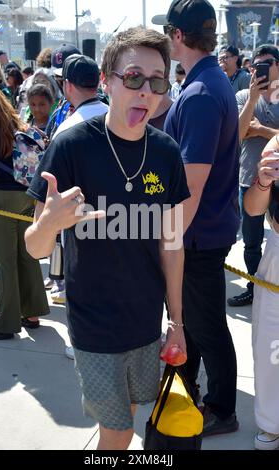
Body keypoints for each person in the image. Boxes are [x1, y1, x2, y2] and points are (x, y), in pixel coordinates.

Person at [25, 26, 190, 450]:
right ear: (107, 80)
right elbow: (35, 247)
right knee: (118, 432)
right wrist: (49, 224)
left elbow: (171, 244)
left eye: (157, 81)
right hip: (93, 323)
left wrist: (176, 322)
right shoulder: (72, 147)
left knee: (130, 417)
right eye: (133, 78)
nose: (145, 92)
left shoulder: (168, 153)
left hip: (145, 321)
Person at [153, 0, 240, 436]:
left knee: (205, 326)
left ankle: (222, 407)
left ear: (178, 36)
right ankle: (194, 390)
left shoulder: (203, 93)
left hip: (198, 235)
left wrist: (168, 240)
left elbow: (193, 183)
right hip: (207, 229)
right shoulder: (209, 82)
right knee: (200, 323)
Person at [0, 66, 49, 340]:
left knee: (4, 262)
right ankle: (32, 312)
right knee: (25, 255)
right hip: (24, 193)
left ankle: (5, 323)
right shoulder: (4, 115)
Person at [52, 53, 109, 357]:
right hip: (124, 222)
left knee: (82, 291)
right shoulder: (120, 119)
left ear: (68, 86)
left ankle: (81, 344)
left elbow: (54, 191)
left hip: (79, 226)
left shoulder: (67, 130)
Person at [228, 44, 279, 307]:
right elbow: (238, 133)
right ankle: (255, 287)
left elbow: (251, 130)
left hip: (277, 179)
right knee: (251, 241)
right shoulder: (242, 96)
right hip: (249, 179)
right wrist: (251, 100)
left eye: (267, 63)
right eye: (256, 64)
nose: (260, 69)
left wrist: (260, 130)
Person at [244, 134, 279, 450]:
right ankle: (272, 422)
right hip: (278, 254)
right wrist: (264, 180)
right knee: (270, 345)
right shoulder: (277, 144)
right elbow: (253, 209)